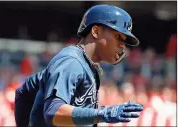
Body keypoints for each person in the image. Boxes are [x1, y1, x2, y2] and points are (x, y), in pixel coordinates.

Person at [14, 4, 143, 127]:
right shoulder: (72, 61)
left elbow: (23, 92)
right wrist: (103, 114)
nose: (122, 45)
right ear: (96, 31)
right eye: (118, 36)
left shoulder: (87, 65)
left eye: (124, 41)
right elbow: (54, 112)